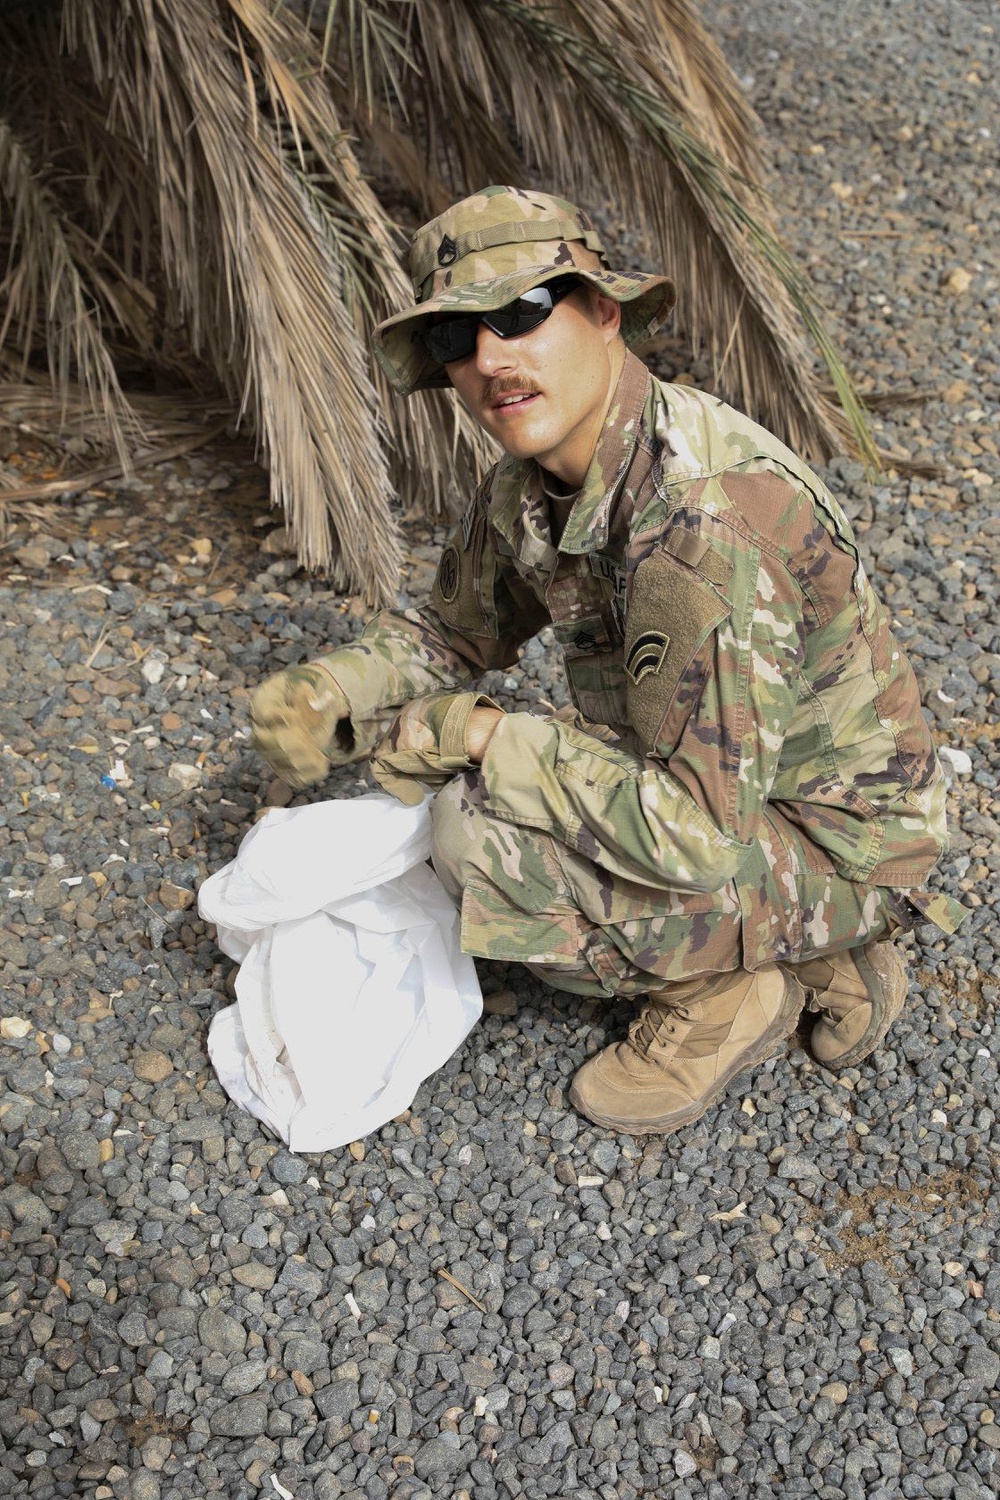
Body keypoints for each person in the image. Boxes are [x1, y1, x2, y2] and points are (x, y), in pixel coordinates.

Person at [249, 185, 965, 1136]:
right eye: (459, 338)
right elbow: (452, 636)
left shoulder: (702, 523)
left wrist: (487, 735)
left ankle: (731, 988)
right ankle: (801, 955)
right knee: (477, 800)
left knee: (480, 838)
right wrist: (334, 690)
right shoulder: (532, 485)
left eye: (519, 313)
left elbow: (702, 833)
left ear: (603, 312)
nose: (491, 358)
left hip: (836, 844)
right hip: (726, 797)